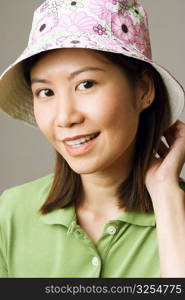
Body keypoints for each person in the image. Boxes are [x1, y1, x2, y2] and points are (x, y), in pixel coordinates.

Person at [0, 0, 185, 278]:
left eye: (86, 84)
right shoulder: (11, 213)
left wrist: (167, 199)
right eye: (46, 92)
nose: (65, 117)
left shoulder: (176, 211)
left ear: (144, 89)